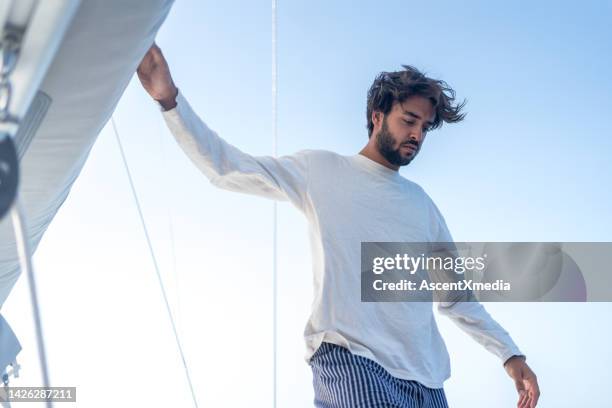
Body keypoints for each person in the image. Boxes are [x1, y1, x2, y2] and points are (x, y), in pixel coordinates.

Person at [136, 43, 540, 408]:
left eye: (423, 128)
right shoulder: (322, 170)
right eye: (409, 120)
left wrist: (510, 354)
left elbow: (456, 296)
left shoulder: (423, 206)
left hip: (426, 384)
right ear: (377, 116)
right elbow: (227, 168)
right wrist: (169, 101)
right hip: (350, 358)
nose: (416, 135)